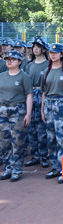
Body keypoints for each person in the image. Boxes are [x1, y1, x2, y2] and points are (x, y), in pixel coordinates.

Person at [41, 43, 63, 183]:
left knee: (62, 139)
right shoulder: (46, 71)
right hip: (48, 104)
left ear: (62, 54)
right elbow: (44, 92)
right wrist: (42, 109)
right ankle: (55, 167)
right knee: (51, 138)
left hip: (61, 104)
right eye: (51, 53)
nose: (53, 55)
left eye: (55, 53)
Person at [0, 51, 33, 182]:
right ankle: (8, 168)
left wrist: (28, 114)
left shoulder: (24, 77)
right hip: (3, 110)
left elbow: (29, 95)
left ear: (20, 62)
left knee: (17, 141)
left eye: (13, 59)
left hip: (17, 110)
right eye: (7, 59)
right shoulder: (2, 76)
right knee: (4, 141)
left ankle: (16, 169)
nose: (9, 61)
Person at [25, 37, 49, 168]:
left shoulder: (48, 65)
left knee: (42, 128)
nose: (35, 49)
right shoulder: (29, 65)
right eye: (34, 46)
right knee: (31, 128)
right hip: (30, 94)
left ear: (43, 49)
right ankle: (34, 155)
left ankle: (44, 155)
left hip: (42, 94)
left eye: (38, 46)